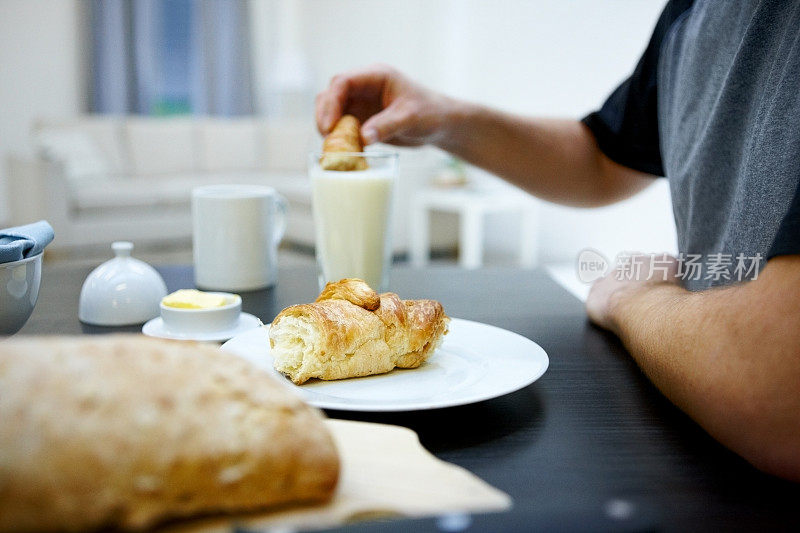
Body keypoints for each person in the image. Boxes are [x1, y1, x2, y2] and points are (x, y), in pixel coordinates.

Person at [314, 0, 800, 481]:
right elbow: (602, 158)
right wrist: (441, 119)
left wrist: (635, 298)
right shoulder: (693, 11)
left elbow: (778, 390)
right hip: (694, 432)